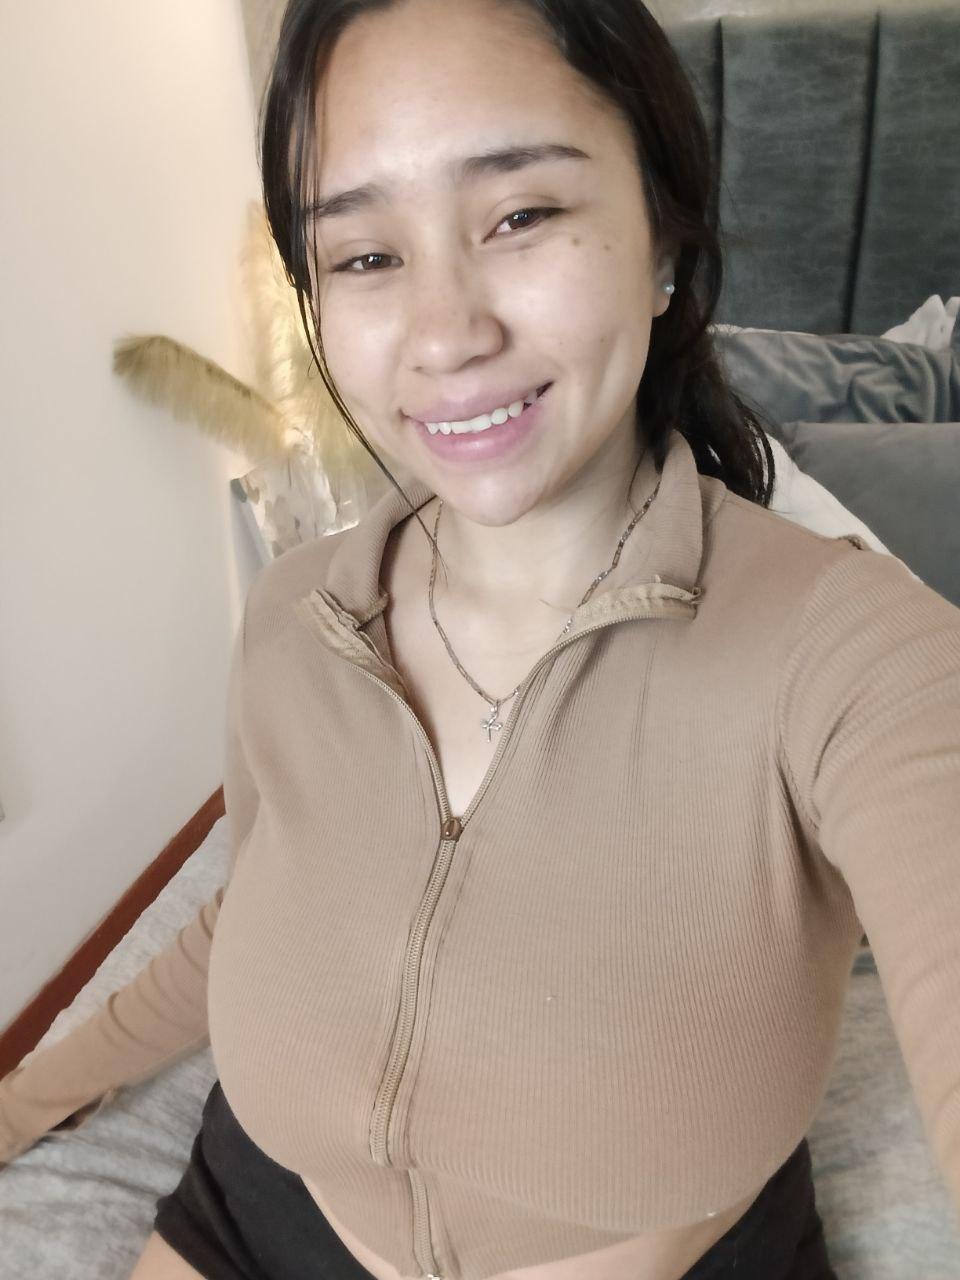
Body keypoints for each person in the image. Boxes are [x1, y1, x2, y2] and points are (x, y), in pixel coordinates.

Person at [2, 0, 959, 1277]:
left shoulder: (853, 648)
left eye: (520, 215)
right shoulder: (294, 616)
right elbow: (262, 900)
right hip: (263, 1211)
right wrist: (24, 1095)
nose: (448, 333)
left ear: (664, 243)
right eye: (364, 255)